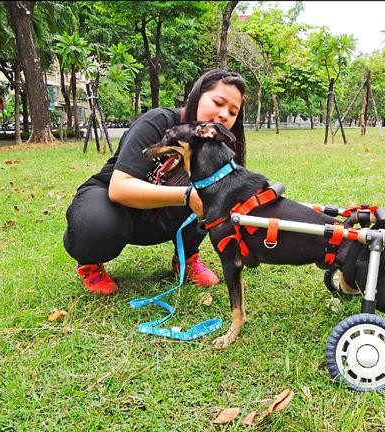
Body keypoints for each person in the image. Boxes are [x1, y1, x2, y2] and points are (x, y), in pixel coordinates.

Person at [63, 68, 247, 295]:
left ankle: (186, 257)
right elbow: (120, 188)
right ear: (197, 96)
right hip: (117, 203)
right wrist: (187, 196)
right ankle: (90, 263)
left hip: (163, 217)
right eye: (218, 102)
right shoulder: (160, 122)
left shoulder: (218, 149)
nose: (223, 115)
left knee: (212, 195)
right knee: (97, 225)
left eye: (232, 111)